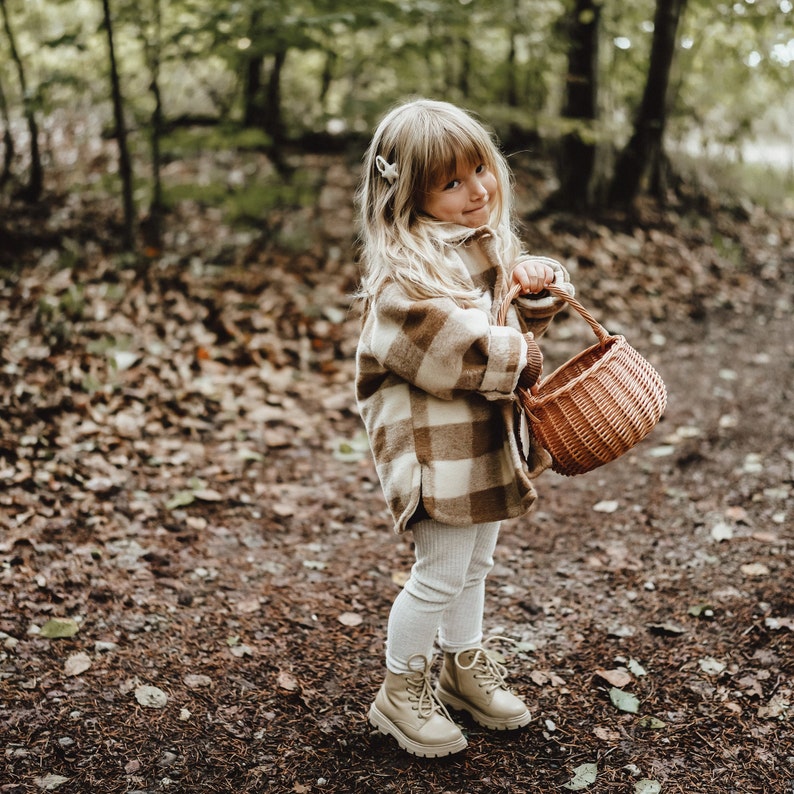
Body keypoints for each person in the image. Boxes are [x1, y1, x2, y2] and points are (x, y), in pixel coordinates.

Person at [354, 98, 574, 758]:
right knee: (439, 574)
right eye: (452, 183)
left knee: (476, 563)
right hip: (435, 452)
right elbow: (451, 347)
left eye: (481, 169)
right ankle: (399, 690)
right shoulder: (401, 274)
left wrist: (540, 287)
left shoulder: (477, 244)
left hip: (480, 443)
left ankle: (460, 664)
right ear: (408, 196)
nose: (477, 190)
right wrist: (515, 351)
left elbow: (513, 314)